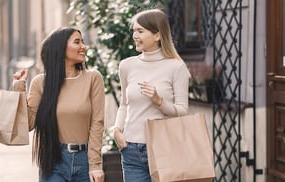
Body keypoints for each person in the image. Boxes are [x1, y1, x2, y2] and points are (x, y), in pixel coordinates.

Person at [12, 27, 105, 182]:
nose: (83, 46)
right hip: (54, 160)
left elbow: (97, 123)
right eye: (77, 42)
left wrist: (95, 164)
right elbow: (28, 124)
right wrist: (19, 88)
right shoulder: (41, 83)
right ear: (61, 48)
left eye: (82, 41)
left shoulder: (93, 78)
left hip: (85, 161)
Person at [112, 9, 191, 182]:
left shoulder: (176, 67)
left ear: (157, 35)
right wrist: (117, 130)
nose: (135, 35)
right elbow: (124, 104)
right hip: (131, 148)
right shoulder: (127, 66)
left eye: (140, 31)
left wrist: (159, 101)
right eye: (133, 31)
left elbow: (183, 111)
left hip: (165, 148)